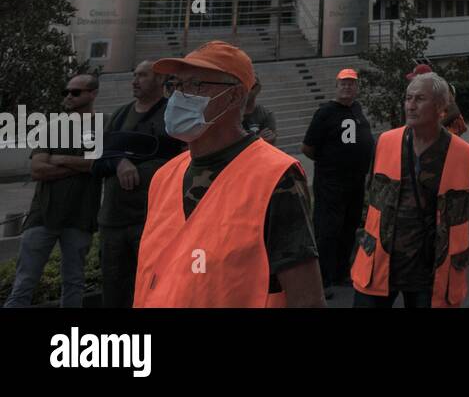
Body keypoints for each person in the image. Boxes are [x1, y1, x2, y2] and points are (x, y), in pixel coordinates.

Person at [134, 42, 323, 307]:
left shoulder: (276, 176)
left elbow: (306, 298)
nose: (180, 96)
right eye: (176, 85)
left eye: (196, 85)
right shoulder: (165, 176)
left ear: (234, 97)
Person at [352, 72, 469, 307]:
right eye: (408, 98)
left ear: (440, 106)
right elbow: (372, 194)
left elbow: (459, 213)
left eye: (420, 99)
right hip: (379, 261)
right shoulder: (386, 142)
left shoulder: (462, 153)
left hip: (430, 269)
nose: (411, 105)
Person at [4, 74, 102, 308]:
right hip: (42, 216)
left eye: (76, 92)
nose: (69, 95)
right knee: (24, 282)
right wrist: (79, 166)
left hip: (80, 217)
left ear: (92, 94)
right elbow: (38, 170)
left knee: (74, 282)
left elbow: (98, 164)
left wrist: (60, 159)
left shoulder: (103, 126)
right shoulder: (52, 127)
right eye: (66, 91)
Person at [94, 59, 185, 308]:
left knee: (154, 287)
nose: (135, 81)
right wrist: (120, 162)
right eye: (134, 75)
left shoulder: (172, 114)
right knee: (114, 288)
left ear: (159, 80)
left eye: (142, 75)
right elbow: (98, 160)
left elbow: (183, 160)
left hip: (153, 220)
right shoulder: (121, 115)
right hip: (114, 220)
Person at [302, 67, 374, 297]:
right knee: (328, 229)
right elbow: (308, 147)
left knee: (349, 226)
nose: (347, 87)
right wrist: (331, 163)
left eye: (351, 84)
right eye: (343, 83)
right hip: (331, 182)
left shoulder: (357, 110)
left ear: (357, 88)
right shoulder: (325, 113)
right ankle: (321, 279)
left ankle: (341, 272)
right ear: (336, 86)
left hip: (355, 181)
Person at [241, 78, 277, 144]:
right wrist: (258, 139)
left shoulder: (266, 114)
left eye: (251, 87)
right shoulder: (232, 115)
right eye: (244, 86)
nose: (248, 90)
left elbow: (270, 142)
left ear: (258, 88)